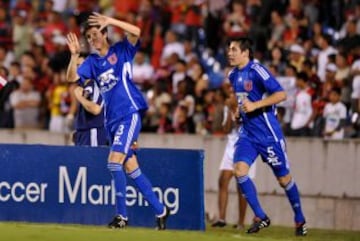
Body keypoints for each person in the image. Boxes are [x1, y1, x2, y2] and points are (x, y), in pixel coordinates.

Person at [65, 12, 169, 229]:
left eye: (95, 34)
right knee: (131, 168)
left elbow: (137, 32)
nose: (92, 39)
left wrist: (111, 21)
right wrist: (74, 56)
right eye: (89, 37)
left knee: (114, 163)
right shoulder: (92, 62)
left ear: (105, 34)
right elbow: (71, 78)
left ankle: (122, 217)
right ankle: (160, 209)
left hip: (128, 113)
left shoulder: (121, 50)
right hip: (110, 121)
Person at [226, 37, 307, 236]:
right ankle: (261, 216)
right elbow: (243, 99)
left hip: (268, 134)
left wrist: (254, 106)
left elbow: (281, 95)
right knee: (239, 171)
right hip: (248, 134)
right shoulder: (232, 75)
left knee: (283, 179)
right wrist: (238, 111)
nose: (230, 53)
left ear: (245, 52)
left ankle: (299, 218)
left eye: (234, 49)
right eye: (229, 49)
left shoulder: (257, 70)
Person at [211, 97, 256, 230]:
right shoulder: (228, 106)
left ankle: (241, 222)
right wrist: (231, 110)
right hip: (231, 146)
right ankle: (222, 218)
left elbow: (246, 125)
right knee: (223, 180)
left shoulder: (249, 103)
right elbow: (226, 129)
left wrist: (236, 110)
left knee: (241, 185)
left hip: (246, 145)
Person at [70, 78, 108, 146]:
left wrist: (79, 96)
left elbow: (96, 109)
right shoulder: (84, 85)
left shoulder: (96, 84)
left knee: (93, 156)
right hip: (84, 131)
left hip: (93, 131)